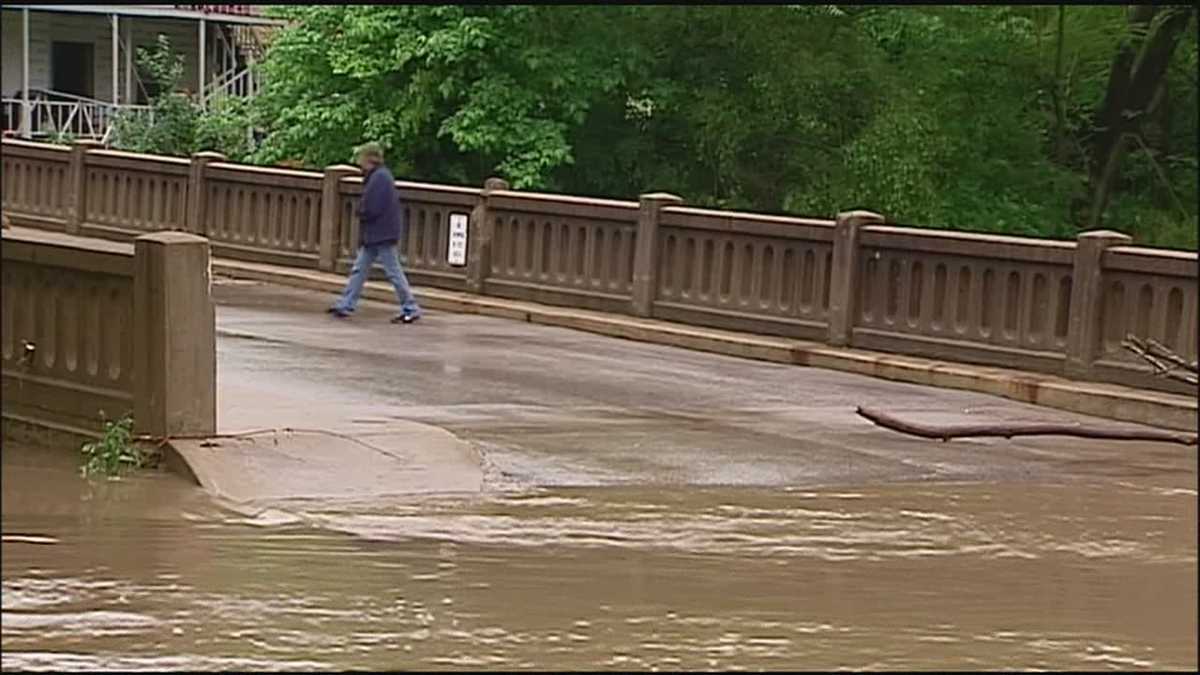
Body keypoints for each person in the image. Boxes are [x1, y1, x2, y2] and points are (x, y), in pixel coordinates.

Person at [328, 142, 422, 324]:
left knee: (393, 272)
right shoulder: (378, 176)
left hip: (381, 234)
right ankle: (345, 304)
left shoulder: (380, 178)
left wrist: (361, 212)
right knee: (359, 270)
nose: (359, 163)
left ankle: (410, 306)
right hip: (376, 234)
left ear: (369, 159)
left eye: (361, 158)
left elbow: (373, 207)